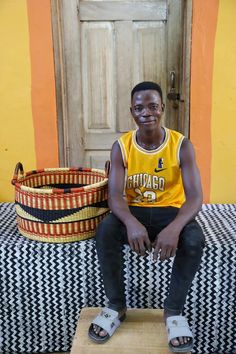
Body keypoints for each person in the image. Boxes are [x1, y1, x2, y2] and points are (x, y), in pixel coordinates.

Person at [88, 81, 205, 352]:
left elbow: (196, 196)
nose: (146, 112)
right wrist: (130, 222)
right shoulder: (122, 146)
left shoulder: (181, 145)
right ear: (132, 112)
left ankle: (173, 312)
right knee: (105, 230)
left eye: (153, 106)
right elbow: (115, 195)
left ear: (162, 108)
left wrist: (175, 228)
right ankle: (116, 307)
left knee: (194, 239)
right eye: (139, 107)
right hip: (135, 211)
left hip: (171, 212)